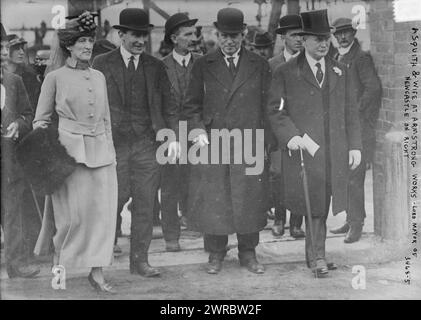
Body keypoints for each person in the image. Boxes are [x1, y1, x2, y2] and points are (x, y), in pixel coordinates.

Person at [267, 10, 362, 278]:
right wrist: (292, 136)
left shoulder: (339, 70)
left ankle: (317, 255)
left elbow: (351, 111)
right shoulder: (286, 71)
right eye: (317, 39)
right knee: (314, 204)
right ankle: (317, 257)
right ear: (304, 40)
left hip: (334, 150)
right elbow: (275, 110)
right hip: (304, 151)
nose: (323, 44)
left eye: (326, 38)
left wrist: (355, 146)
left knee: (326, 201)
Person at [33, 12, 117, 292]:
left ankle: (97, 272)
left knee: (102, 216)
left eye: (90, 40)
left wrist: (112, 155)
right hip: (68, 156)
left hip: (102, 154)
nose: (87, 46)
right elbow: (41, 120)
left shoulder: (100, 77)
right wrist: (48, 155)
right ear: (69, 45)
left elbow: (105, 120)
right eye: (81, 40)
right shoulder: (55, 78)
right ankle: (59, 272)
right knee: (70, 219)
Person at [92, 8, 179, 278]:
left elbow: (170, 106)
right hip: (113, 146)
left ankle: (139, 260)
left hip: (146, 145)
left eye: (144, 35)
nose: (141, 40)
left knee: (145, 203)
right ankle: (99, 259)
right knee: (111, 202)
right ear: (121, 35)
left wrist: (172, 136)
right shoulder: (102, 64)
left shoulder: (155, 66)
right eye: (135, 35)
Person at [184, 7, 271, 275]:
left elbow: (268, 106)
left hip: (249, 141)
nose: (230, 41)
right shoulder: (203, 64)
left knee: (250, 198)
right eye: (224, 35)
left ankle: (248, 252)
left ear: (243, 34)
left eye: (235, 35)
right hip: (215, 143)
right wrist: (198, 131)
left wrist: (265, 142)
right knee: (216, 199)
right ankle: (216, 253)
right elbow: (190, 106)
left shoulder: (258, 64)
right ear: (216, 34)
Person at [329, 18, 382, 243]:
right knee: (345, 176)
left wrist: (356, 114)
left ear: (353, 33)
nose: (342, 37)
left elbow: (373, 89)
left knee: (354, 177)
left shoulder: (360, 58)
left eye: (346, 33)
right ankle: (351, 219)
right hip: (342, 129)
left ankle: (357, 225)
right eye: (338, 33)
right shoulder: (335, 57)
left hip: (357, 130)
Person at [1, 22, 40, 279]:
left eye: (5, 47)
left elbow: (28, 115)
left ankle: (15, 265)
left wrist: (18, 124)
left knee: (12, 212)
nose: (4, 52)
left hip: (8, 161)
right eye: (0, 48)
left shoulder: (14, 81)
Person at [161, 12, 200, 252]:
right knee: (170, 186)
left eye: (194, 33)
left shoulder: (203, 63)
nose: (193, 38)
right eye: (187, 34)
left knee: (198, 182)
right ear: (174, 38)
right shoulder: (160, 66)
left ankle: (198, 226)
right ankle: (171, 236)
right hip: (170, 135)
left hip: (197, 133)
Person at [268, 14, 305, 239]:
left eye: (302, 35)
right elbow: (268, 102)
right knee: (279, 174)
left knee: (301, 175)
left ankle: (297, 223)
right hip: (277, 130)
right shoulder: (272, 65)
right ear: (283, 38)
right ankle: (280, 219)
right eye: (293, 35)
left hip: (302, 129)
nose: (299, 40)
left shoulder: (308, 63)